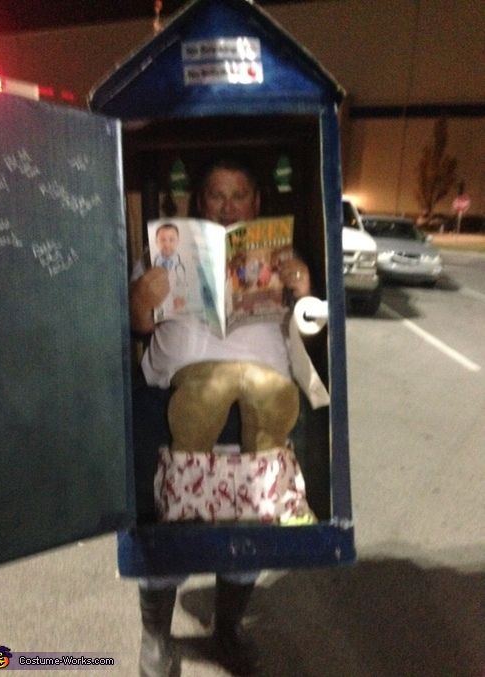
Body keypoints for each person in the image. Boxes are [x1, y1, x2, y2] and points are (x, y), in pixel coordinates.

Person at [129, 157, 311, 676]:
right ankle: (157, 637)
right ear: (198, 202)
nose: (227, 205)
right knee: (165, 530)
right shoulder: (157, 257)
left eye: (238, 195)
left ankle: (227, 629)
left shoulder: (282, 259)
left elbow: (316, 330)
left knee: (247, 524)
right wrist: (140, 300)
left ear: (257, 203)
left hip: (260, 413)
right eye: (215, 194)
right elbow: (134, 325)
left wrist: (304, 287)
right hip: (171, 409)